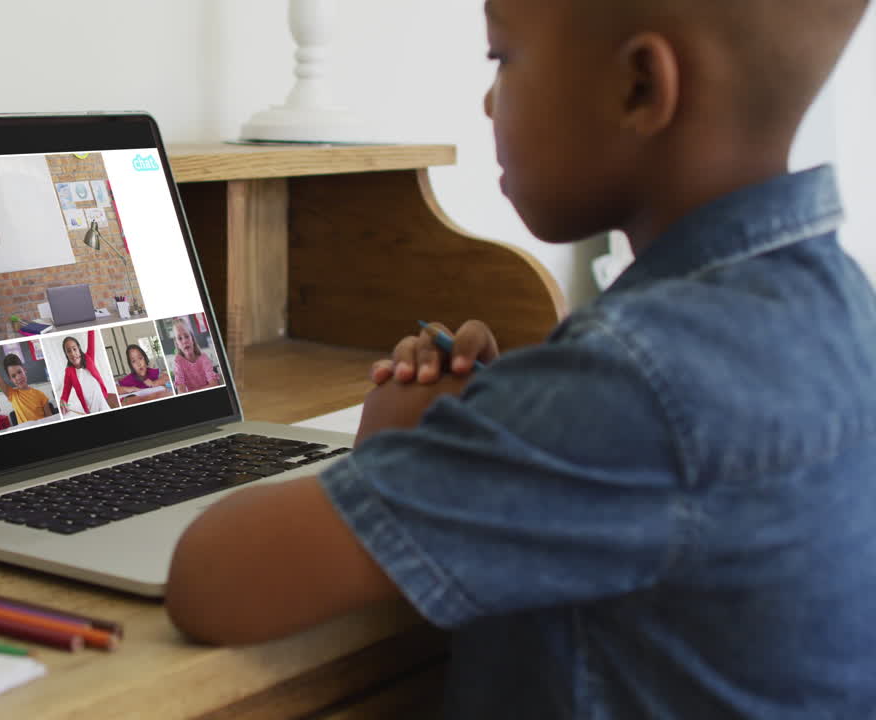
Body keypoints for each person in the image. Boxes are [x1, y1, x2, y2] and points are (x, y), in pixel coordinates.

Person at [165, 1, 876, 717]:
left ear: (638, 86)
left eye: (501, 59)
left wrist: (406, 449)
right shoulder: (842, 308)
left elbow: (212, 581)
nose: (486, 100)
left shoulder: (631, 383)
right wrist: (507, 420)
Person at [0, 348, 53, 424]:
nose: (18, 377)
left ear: (24, 370)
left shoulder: (41, 395)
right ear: (10, 379)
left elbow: (50, 419)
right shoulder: (12, 394)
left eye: (19, 372)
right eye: (13, 376)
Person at [59, 330, 113, 415]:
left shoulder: (89, 358)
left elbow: (91, 335)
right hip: (90, 410)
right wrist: (63, 400)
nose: (73, 353)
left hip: (102, 402)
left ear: (79, 349)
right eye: (69, 351)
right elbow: (65, 391)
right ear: (66, 355)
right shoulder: (69, 372)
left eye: (74, 349)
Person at [169, 316, 220, 394]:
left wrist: (190, 392)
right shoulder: (178, 361)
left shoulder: (204, 358)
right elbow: (181, 391)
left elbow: (214, 385)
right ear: (177, 344)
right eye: (180, 338)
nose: (184, 341)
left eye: (187, 336)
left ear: (192, 339)